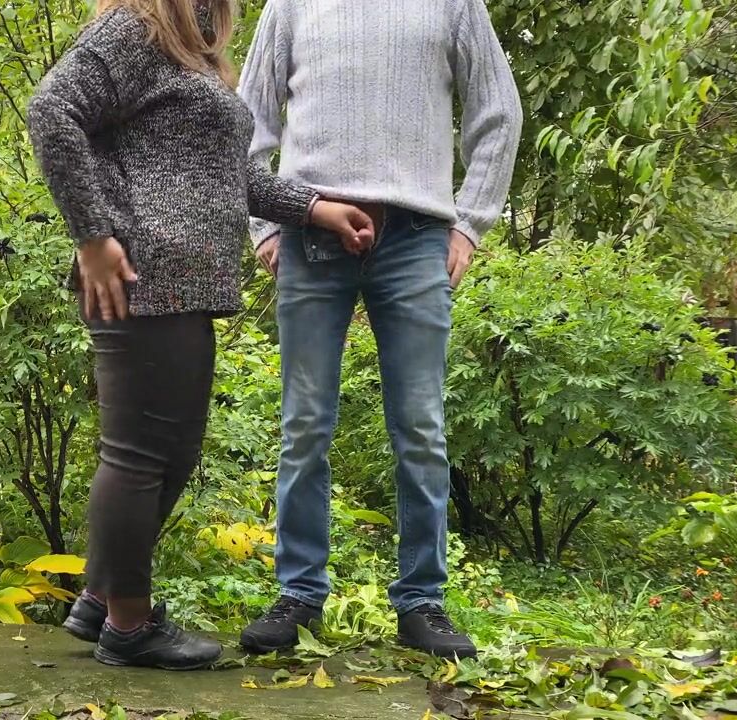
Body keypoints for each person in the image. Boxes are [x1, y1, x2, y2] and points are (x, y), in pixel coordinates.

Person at [26, 0, 375, 670]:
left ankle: (101, 597)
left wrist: (314, 208)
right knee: (138, 456)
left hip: (185, 282)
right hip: (139, 271)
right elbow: (52, 110)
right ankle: (129, 626)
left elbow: (226, 177)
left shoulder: (193, 49)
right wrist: (93, 237)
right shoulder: (134, 27)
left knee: (173, 454)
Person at [236, 0, 524, 660]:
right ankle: (299, 595)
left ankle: (421, 602)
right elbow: (244, 122)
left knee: (420, 425)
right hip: (310, 235)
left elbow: (499, 111)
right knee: (305, 423)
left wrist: (470, 224)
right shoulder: (291, 5)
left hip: (417, 237)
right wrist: (265, 225)